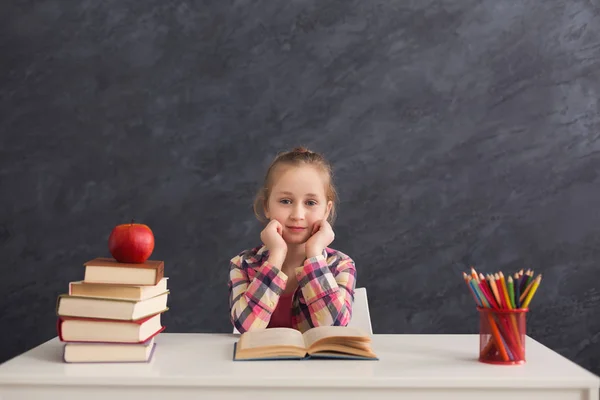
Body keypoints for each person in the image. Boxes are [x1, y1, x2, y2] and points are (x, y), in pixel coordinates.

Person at [228, 146, 357, 333]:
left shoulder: (341, 265)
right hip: (259, 363)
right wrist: (277, 255)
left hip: (316, 363)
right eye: (286, 201)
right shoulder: (243, 264)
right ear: (266, 206)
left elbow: (333, 328)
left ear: (326, 210)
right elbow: (246, 328)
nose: (297, 215)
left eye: (310, 203)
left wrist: (314, 256)